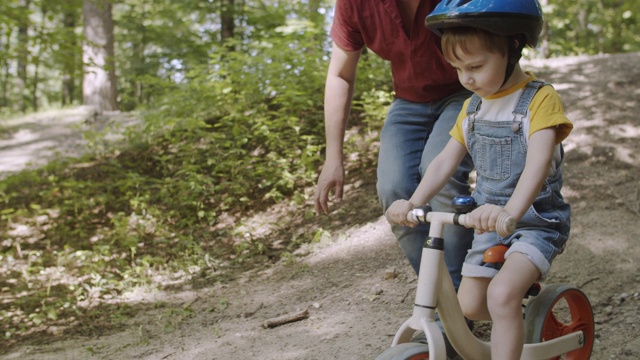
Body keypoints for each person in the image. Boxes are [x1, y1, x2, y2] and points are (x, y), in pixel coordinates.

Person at [385, 0, 573, 358]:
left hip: (535, 222)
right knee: (470, 305)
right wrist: (413, 201)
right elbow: (443, 162)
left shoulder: (539, 100)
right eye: (457, 68)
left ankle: (510, 311)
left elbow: (538, 163)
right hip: (488, 221)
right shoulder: (472, 107)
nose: (466, 78)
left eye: (475, 66)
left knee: (501, 297)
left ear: (512, 47)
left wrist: (513, 212)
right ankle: (515, 319)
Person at [314, 0, 474, 289]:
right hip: (409, 101)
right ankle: (443, 297)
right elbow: (340, 75)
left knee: (441, 176)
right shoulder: (355, 4)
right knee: (393, 189)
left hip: (467, 89)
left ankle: (466, 295)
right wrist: (333, 157)